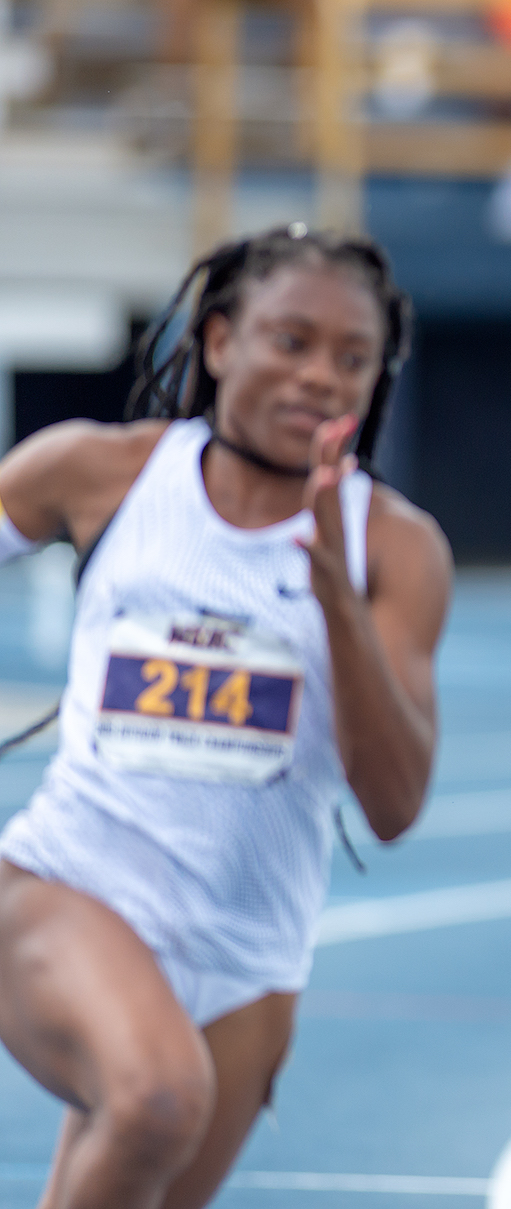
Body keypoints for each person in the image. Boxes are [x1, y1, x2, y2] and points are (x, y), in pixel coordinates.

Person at [0, 226, 451, 1209]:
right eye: (290, 341)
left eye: (352, 359)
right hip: (68, 889)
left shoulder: (397, 549)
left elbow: (394, 806)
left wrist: (334, 592)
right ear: (218, 343)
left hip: (246, 967)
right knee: (156, 1099)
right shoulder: (101, 472)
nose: (322, 378)